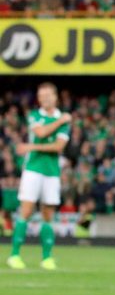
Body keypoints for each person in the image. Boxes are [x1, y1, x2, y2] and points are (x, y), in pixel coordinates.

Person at [7, 83, 71, 270]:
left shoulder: (62, 118)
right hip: (33, 169)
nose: (44, 98)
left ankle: (47, 257)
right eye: (41, 96)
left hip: (52, 172)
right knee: (26, 211)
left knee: (48, 215)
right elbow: (41, 132)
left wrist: (32, 146)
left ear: (55, 97)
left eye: (47, 95)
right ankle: (15, 255)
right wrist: (59, 122)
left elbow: (59, 147)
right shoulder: (35, 116)